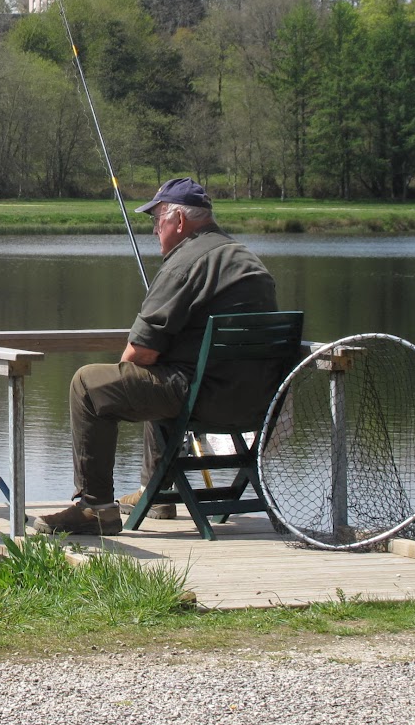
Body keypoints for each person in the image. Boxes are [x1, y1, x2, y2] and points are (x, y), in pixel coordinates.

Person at [33, 178, 278, 536]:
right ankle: (158, 491)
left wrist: (122, 382)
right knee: (162, 372)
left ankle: (96, 508)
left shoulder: (184, 264)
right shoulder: (246, 259)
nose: (153, 230)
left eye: (157, 221)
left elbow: (138, 353)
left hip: (203, 400)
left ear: (179, 222)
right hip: (256, 404)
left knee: (87, 384)